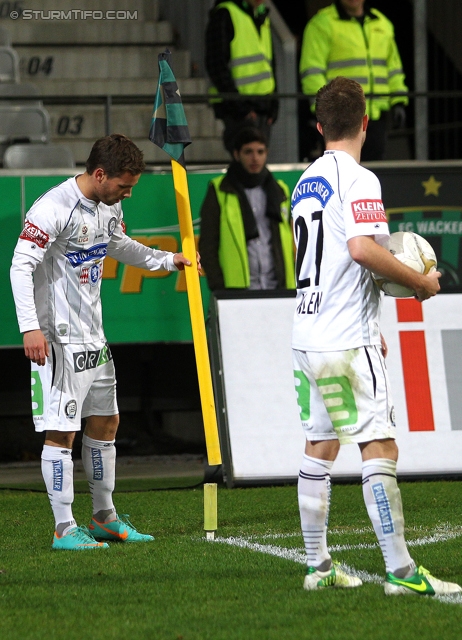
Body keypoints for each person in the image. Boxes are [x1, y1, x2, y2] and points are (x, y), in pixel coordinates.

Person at [291, 76, 461, 596]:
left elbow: (328, 261)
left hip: (308, 332)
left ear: (319, 126)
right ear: (366, 122)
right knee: (378, 444)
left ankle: (318, 566)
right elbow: (363, 250)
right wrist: (420, 285)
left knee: (320, 443)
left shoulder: (304, 181)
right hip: (345, 337)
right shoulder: (360, 179)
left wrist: (370, 323)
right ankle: (402, 572)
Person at [10, 134, 199, 551]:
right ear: (99, 174)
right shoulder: (51, 208)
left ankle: (103, 518)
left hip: (94, 336)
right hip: (58, 338)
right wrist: (29, 328)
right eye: (124, 186)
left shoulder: (109, 205)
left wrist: (166, 260)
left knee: (106, 423)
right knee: (62, 433)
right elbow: (20, 267)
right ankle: (63, 529)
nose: (128, 194)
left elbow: (116, 245)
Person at [299, 0, 408, 161]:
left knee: (374, 174)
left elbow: (393, 68)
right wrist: (324, 110)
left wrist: (398, 100)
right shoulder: (321, 24)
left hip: (376, 116)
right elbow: (312, 72)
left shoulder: (382, 23)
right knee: (341, 173)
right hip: (341, 118)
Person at [199, 127, 294, 291]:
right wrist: (219, 288)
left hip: (278, 287)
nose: (255, 158)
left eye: (260, 151)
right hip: (237, 290)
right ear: (236, 154)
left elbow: (291, 240)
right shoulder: (219, 189)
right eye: (248, 152)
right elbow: (208, 245)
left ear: (267, 153)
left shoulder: (280, 190)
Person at [205, 0, 278, 155]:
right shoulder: (225, 14)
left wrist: (273, 104)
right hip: (238, 111)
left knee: (255, 165)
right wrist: (240, 108)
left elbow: (269, 64)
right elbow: (216, 65)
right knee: (245, 165)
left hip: (262, 107)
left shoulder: (261, 15)